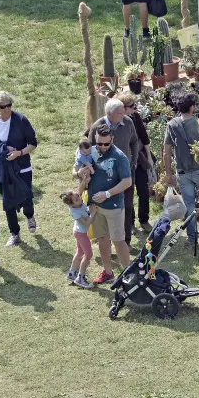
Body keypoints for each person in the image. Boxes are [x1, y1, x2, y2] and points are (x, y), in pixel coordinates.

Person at [74, 124, 133, 285]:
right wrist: (78, 173)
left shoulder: (119, 157)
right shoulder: (89, 151)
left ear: (112, 140)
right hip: (95, 207)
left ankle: (129, 274)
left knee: (119, 240)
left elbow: (127, 181)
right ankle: (108, 273)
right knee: (102, 239)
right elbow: (75, 169)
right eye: (99, 143)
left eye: (106, 143)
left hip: (113, 207)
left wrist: (107, 193)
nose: (102, 147)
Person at [0, 91, 39, 247]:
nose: (7, 109)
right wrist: (2, 149)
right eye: (3, 106)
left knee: (27, 196)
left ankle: (30, 216)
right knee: (8, 203)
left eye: (9, 105)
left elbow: (33, 143)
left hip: (22, 166)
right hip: (3, 170)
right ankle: (15, 233)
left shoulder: (21, 120)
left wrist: (19, 153)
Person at [163, 92, 199, 243]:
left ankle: (192, 238)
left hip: (182, 172)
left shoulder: (172, 125)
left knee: (189, 206)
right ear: (192, 107)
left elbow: (166, 153)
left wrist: (169, 173)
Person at [88, 98, 139, 246]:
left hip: (125, 173)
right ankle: (104, 240)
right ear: (109, 113)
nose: (123, 115)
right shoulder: (97, 127)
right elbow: (89, 151)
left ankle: (126, 241)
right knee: (103, 206)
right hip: (104, 176)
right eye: (119, 113)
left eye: (124, 112)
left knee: (127, 205)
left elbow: (135, 141)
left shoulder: (128, 122)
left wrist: (133, 161)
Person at [117, 91, 154, 232]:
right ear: (123, 108)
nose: (134, 108)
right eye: (131, 106)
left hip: (139, 160)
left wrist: (149, 157)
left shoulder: (135, 117)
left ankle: (144, 220)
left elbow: (145, 138)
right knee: (128, 194)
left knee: (144, 192)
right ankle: (130, 223)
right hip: (125, 163)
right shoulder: (116, 121)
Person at [60, 189, 97, 289]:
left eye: (79, 196)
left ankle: (72, 273)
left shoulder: (79, 204)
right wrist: (92, 213)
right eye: (77, 199)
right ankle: (80, 277)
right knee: (88, 254)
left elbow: (85, 209)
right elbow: (86, 223)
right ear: (71, 204)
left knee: (80, 252)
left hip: (79, 232)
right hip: (81, 234)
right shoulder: (75, 211)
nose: (80, 199)